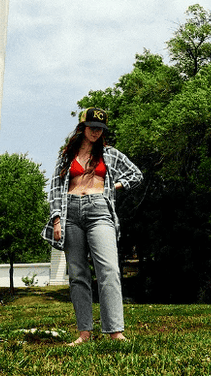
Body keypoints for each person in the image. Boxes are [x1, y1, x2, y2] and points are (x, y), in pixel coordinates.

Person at [42, 107, 143, 345]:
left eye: (100, 129)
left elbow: (136, 174)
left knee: (108, 269)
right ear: (82, 128)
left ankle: (115, 331)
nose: (96, 132)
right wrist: (57, 219)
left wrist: (113, 187)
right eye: (92, 128)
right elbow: (56, 190)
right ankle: (84, 333)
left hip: (99, 210)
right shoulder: (66, 156)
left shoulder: (110, 154)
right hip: (70, 212)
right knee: (78, 274)